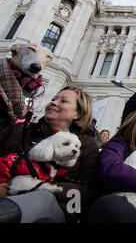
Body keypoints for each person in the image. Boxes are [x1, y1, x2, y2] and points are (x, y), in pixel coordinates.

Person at [0, 86, 100, 223]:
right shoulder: (20, 130)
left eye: (63, 101)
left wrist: (41, 186)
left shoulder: (87, 145)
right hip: (5, 197)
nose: (54, 102)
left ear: (78, 113)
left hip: (55, 208)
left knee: (42, 198)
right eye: (54, 99)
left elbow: (89, 192)